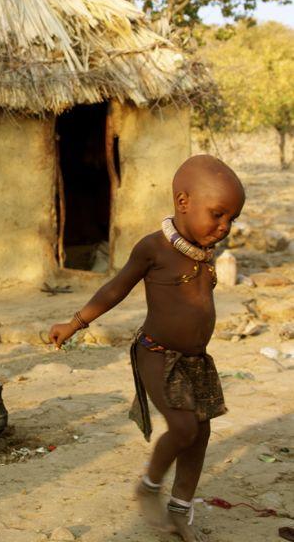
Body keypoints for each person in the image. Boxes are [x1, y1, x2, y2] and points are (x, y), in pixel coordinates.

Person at [49, 154, 245, 542]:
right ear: (183, 203)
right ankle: (149, 485)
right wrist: (73, 324)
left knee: (200, 434)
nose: (224, 227)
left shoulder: (204, 251)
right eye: (218, 214)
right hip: (155, 353)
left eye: (231, 220)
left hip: (195, 361)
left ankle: (180, 512)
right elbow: (115, 289)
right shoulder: (154, 249)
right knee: (184, 426)